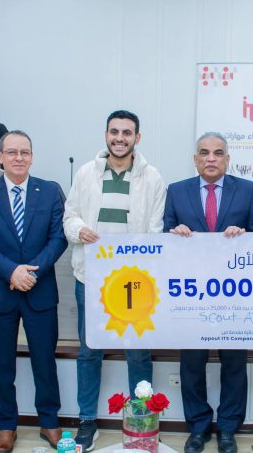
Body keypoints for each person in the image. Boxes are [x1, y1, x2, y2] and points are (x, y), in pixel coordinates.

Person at [63, 110, 166, 451]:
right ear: (106, 134)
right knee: (89, 352)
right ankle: (86, 421)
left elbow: (155, 230)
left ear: (138, 137)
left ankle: (142, 422)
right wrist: (80, 230)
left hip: (135, 284)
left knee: (138, 354)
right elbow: (69, 216)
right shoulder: (86, 173)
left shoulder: (152, 178)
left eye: (126, 132)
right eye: (114, 132)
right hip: (91, 279)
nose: (119, 138)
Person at [0, 130, 68, 453]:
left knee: (44, 362)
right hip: (1, 292)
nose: (19, 158)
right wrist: (12, 271)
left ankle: (49, 422)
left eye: (25, 152)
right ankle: (6, 426)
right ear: (0, 157)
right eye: (12, 152)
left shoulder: (49, 191)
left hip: (40, 290)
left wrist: (31, 272)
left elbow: (59, 238)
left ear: (32, 157)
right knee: (1, 365)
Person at [163, 132, 253, 453]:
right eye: (204, 152)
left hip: (235, 295)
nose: (211, 158)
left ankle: (228, 428)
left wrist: (245, 235)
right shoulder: (176, 191)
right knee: (192, 363)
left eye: (218, 153)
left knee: (234, 363)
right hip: (190, 296)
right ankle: (198, 427)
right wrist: (174, 233)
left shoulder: (247, 190)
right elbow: (164, 237)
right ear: (195, 159)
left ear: (227, 159)